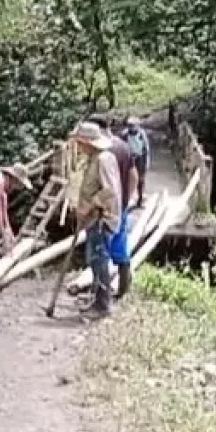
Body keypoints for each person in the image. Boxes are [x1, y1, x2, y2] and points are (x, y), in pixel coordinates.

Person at [71, 121, 122, 318]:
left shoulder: (103, 160)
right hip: (93, 219)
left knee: (99, 260)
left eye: (80, 142)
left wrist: (90, 205)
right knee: (93, 259)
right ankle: (98, 299)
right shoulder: (95, 159)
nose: (78, 146)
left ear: (87, 143)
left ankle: (103, 304)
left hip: (102, 218)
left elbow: (109, 190)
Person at [86, 114, 138, 298]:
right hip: (120, 205)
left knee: (99, 252)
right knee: (120, 246)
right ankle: (123, 288)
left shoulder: (104, 151)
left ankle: (100, 294)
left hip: (103, 209)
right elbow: (133, 176)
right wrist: (127, 199)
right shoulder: (123, 146)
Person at [122, 116, 151, 202]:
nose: (131, 127)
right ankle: (127, 197)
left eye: (133, 125)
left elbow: (146, 148)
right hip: (129, 158)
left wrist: (146, 162)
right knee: (127, 178)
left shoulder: (141, 134)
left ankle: (140, 197)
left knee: (141, 179)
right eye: (130, 125)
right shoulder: (125, 134)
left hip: (140, 158)